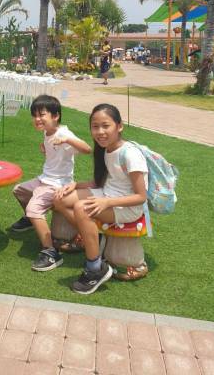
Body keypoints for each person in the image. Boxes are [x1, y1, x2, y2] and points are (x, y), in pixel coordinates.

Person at [53, 103, 148, 294]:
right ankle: (92, 237)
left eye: (106, 126)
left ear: (119, 126)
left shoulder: (130, 154)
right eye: (95, 127)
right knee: (59, 199)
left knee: (81, 208)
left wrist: (107, 202)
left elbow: (141, 197)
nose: (100, 132)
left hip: (126, 207)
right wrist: (76, 185)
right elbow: (102, 182)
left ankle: (95, 268)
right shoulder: (106, 149)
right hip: (106, 194)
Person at [11, 94, 91, 271]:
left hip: (57, 184)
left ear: (55, 116)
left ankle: (50, 252)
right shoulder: (47, 132)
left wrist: (67, 140)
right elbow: (54, 153)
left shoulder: (63, 133)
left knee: (33, 209)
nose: (37, 119)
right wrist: (46, 149)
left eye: (42, 115)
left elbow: (87, 149)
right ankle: (31, 220)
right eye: (34, 115)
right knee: (19, 190)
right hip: (45, 178)